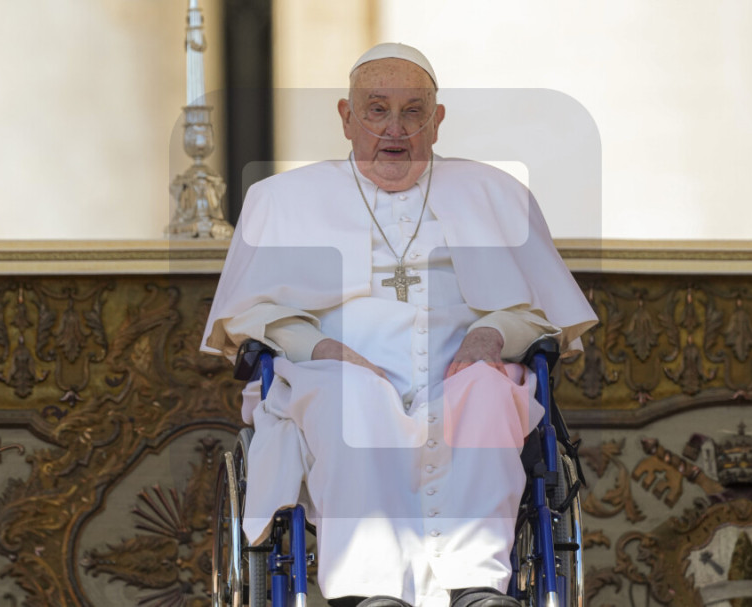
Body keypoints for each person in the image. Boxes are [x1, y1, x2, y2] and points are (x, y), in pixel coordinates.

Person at [202, 43, 597, 607]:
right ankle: (370, 591)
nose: (395, 128)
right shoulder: (282, 199)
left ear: (437, 121)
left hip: (461, 375)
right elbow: (252, 316)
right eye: (376, 109)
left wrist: (489, 336)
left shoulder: (496, 193)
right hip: (334, 376)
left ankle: (477, 587)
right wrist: (321, 348)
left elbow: (540, 313)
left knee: (488, 392)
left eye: (413, 112)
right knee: (352, 398)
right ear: (346, 117)